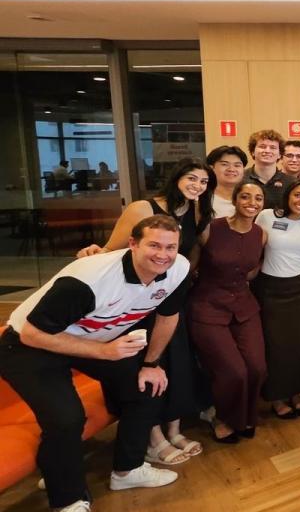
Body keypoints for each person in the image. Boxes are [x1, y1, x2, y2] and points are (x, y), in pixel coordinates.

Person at [0, 215, 190, 511]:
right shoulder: (87, 279)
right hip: (27, 345)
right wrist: (105, 352)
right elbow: (32, 334)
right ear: (132, 244)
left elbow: (168, 315)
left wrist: (150, 363)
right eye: (153, 245)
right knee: (67, 417)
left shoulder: (178, 267)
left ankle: (127, 470)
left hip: (90, 339)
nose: (162, 255)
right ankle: (67, 498)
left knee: (147, 386)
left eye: (170, 247)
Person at [76, 158, 213, 466]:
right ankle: (153, 438)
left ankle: (174, 429)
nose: (197, 186)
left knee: (175, 361)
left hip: (170, 298)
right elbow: (114, 248)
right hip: (135, 299)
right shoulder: (143, 208)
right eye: (192, 178)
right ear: (176, 177)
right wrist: (91, 253)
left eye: (203, 182)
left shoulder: (196, 210)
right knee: (144, 364)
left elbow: (191, 254)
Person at [189, 181, 268, 443]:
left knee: (256, 368)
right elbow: (189, 267)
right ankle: (221, 417)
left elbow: (253, 269)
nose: (251, 203)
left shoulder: (261, 234)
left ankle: (245, 416)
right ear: (235, 200)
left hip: (244, 306)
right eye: (245, 196)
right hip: (208, 306)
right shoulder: (211, 228)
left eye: (258, 198)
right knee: (233, 370)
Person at [254, 180, 300, 420]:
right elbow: (254, 248)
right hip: (270, 288)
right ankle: (276, 397)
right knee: (275, 344)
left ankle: (296, 392)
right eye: (298, 195)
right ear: (287, 195)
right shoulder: (266, 216)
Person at [246, 129, 296, 209]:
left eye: (273, 147)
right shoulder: (240, 178)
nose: (267, 151)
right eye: (262, 146)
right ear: (252, 152)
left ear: (280, 154)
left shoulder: (291, 183)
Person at [207, 145, 247, 219]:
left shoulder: (249, 199)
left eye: (237, 165)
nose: (231, 169)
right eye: (224, 164)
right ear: (211, 168)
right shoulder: (201, 199)